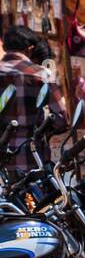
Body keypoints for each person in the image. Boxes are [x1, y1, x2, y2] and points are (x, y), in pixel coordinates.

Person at [0, 25, 67, 171]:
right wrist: (42, 131)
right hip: (31, 159)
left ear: (5, 47)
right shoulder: (42, 74)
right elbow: (61, 119)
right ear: (30, 49)